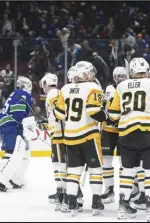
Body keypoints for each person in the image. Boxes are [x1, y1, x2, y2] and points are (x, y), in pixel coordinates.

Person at [108, 57, 150, 221]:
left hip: (125, 133)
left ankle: (124, 207)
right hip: (146, 131)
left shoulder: (121, 86)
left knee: (128, 171)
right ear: (146, 70)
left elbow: (113, 115)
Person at [54, 61, 108, 216]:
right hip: (88, 135)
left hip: (70, 136)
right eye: (90, 72)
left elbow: (59, 114)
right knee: (95, 169)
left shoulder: (64, 89)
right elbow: (93, 111)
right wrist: (105, 116)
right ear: (86, 73)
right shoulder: (93, 87)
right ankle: (96, 201)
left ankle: (72, 202)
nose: (92, 75)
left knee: (73, 171)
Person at [0, 77, 34, 192]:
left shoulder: (15, 93)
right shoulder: (22, 94)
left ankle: (15, 178)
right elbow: (18, 112)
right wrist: (26, 124)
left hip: (6, 124)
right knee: (11, 151)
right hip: (10, 125)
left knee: (19, 151)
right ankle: (0, 178)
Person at [39, 73, 69, 211]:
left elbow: (62, 114)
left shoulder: (55, 93)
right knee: (57, 164)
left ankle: (64, 193)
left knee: (61, 165)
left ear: (46, 83)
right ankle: (60, 191)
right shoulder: (54, 94)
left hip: (59, 135)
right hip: (56, 134)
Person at [101, 66, 128, 204]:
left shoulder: (129, 88)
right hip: (108, 130)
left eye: (123, 76)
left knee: (126, 162)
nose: (121, 79)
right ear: (114, 77)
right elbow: (106, 107)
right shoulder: (109, 89)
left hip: (124, 129)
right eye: (119, 76)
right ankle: (109, 189)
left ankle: (128, 191)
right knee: (106, 161)